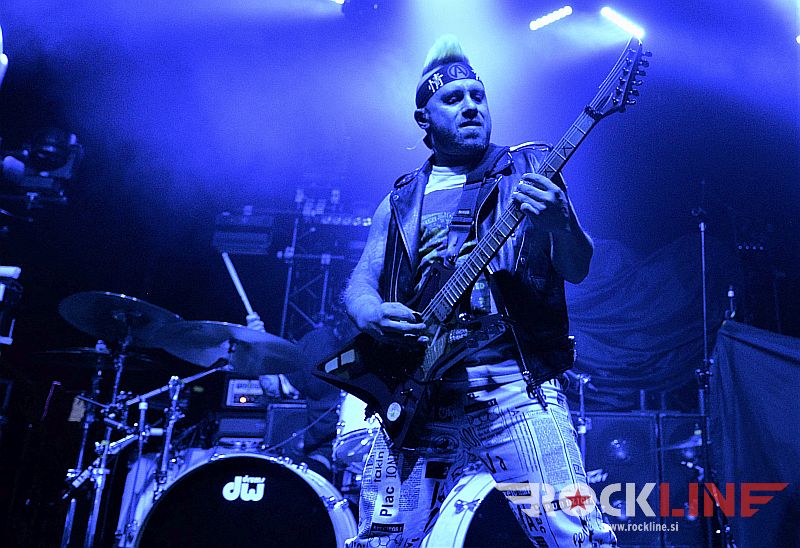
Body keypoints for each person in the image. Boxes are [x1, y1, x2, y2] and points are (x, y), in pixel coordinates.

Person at [340, 35, 617, 547]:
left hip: (513, 388)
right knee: (381, 541)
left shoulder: (530, 167)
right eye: (452, 98)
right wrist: (371, 312)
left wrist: (562, 223)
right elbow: (361, 281)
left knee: (577, 537)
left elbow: (577, 268)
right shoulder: (401, 198)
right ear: (423, 118)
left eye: (478, 95)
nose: (470, 106)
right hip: (418, 398)